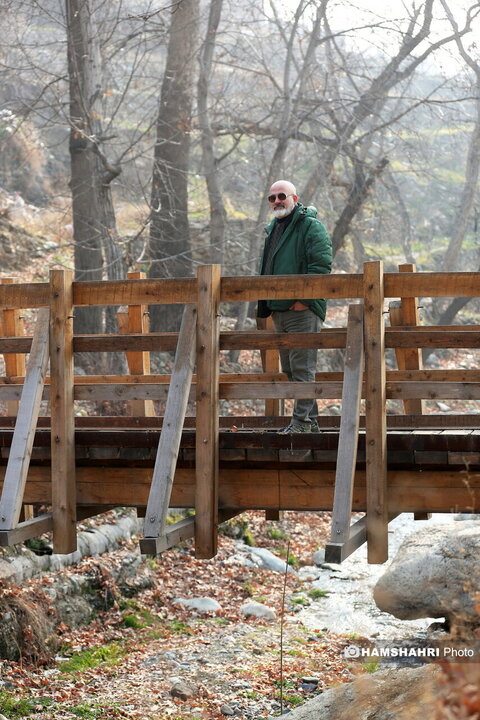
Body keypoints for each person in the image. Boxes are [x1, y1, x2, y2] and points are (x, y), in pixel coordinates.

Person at [257, 180, 332, 433]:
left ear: (295, 198)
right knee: (290, 369)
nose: (277, 201)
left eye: (282, 196)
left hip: (302, 311)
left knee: (303, 367)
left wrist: (304, 301)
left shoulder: (311, 226)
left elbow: (321, 266)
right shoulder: (273, 229)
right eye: (272, 198)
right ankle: (311, 423)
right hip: (279, 310)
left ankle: (300, 424)